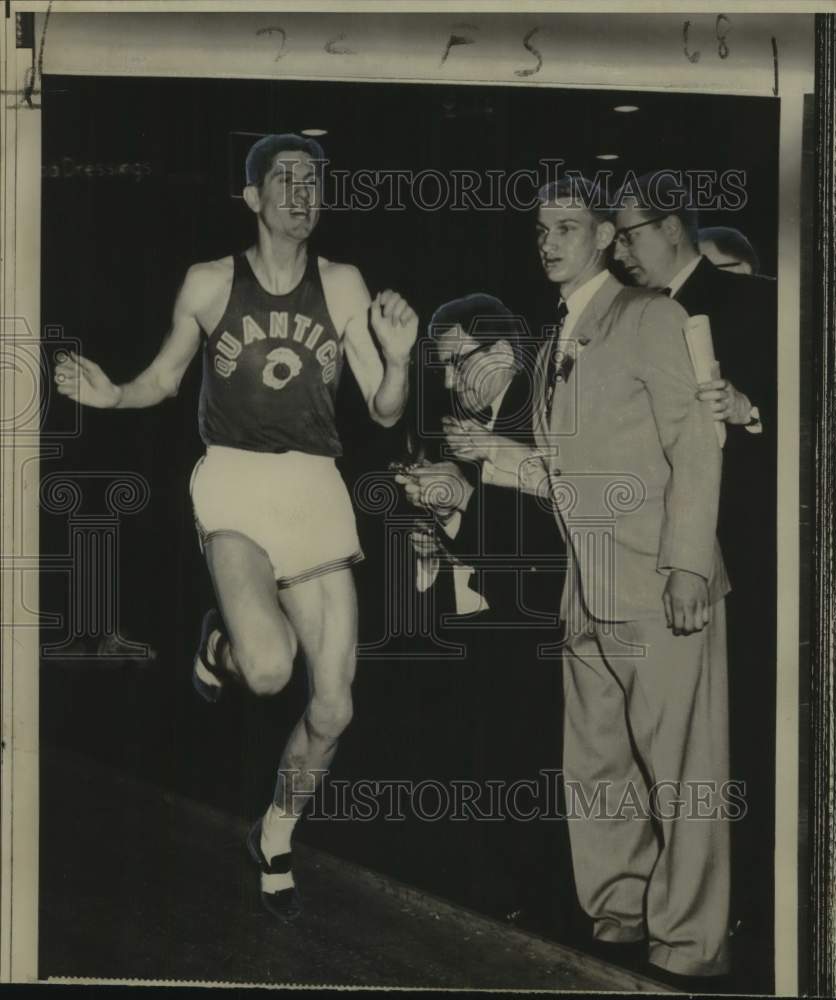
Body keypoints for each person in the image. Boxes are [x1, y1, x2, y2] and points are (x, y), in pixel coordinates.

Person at [54, 133, 418, 923]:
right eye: (283, 179)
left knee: (333, 709)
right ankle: (222, 636)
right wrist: (110, 394)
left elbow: (385, 410)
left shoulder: (345, 283)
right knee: (263, 672)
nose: (301, 189)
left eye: (313, 178)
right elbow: (163, 379)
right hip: (235, 484)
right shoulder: (212, 283)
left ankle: (276, 829)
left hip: (315, 488)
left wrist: (398, 359)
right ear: (251, 198)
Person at [445, 176, 731, 981]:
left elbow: (694, 448)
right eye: (541, 228)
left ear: (606, 236)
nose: (548, 241)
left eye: (567, 226)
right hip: (587, 589)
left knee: (681, 775)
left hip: (657, 581)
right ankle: (617, 919)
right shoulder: (554, 340)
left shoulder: (649, 317)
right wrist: (495, 462)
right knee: (599, 768)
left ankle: (689, 949)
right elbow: (568, 472)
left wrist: (684, 566)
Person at [613, 173, 777, 964]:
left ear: (672, 227)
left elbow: (821, 413)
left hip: (744, 543)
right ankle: (682, 907)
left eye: (630, 232)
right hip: (665, 552)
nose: (620, 249)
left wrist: (750, 411)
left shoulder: (755, 302)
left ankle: (739, 911)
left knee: (737, 738)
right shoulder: (626, 316)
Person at [397, 294, 568, 922]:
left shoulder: (541, 416)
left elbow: (547, 548)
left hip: (535, 636)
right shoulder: (452, 424)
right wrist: (434, 536)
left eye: (456, 362)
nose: (447, 380)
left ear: (501, 353)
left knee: (522, 774)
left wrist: (456, 511)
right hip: (474, 637)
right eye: (440, 367)